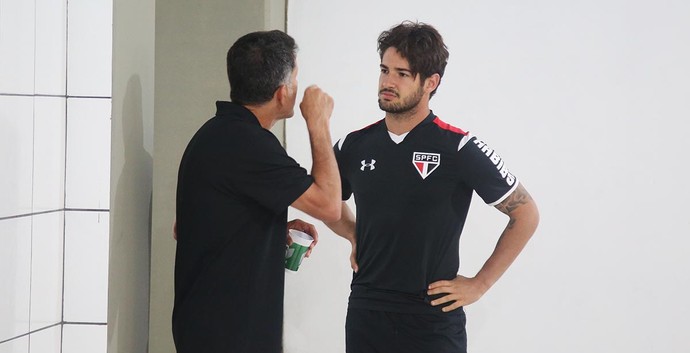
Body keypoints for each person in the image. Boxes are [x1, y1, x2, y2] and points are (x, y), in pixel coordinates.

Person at [325, 21, 540, 353]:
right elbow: (325, 200)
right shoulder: (353, 145)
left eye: (402, 74)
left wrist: (480, 284)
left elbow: (526, 214)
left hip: (432, 317)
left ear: (430, 82)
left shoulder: (458, 146)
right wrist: (354, 232)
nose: (387, 82)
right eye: (384, 70)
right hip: (368, 311)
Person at [172, 30, 341, 353]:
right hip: (229, 335)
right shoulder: (249, 145)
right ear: (282, 92)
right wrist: (318, 122)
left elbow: (199, 225)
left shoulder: (217, 133)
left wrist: (271, 228)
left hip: (210, 327)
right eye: (294, 78)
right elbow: (329, 204)